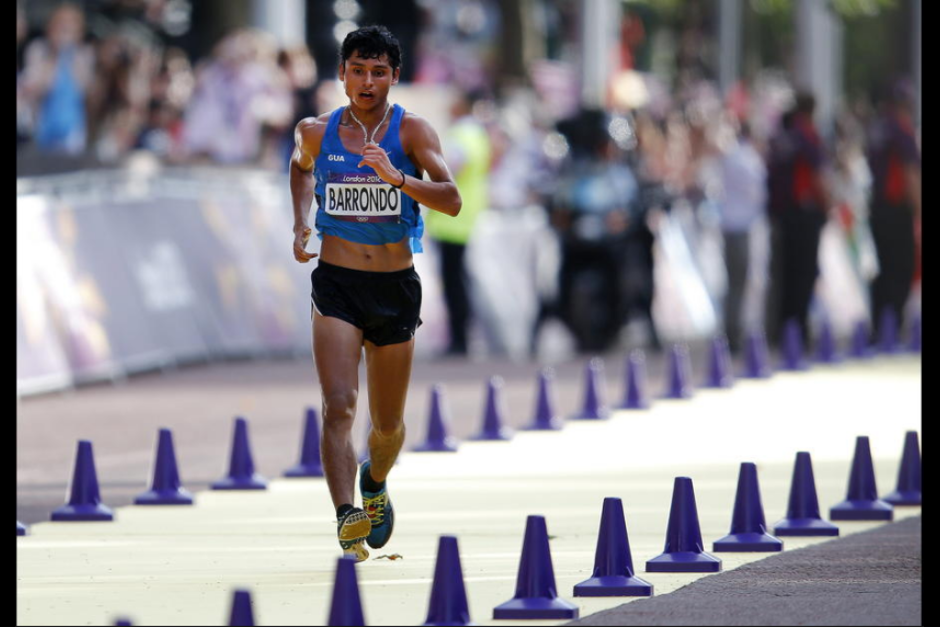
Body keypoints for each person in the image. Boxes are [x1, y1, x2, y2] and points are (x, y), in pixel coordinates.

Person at [289, 25, 461, 561]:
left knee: (386, 428)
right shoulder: (315, 132)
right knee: (339, 406)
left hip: (394, 287)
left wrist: (398, 178)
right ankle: (346, 514)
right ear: (341, 74)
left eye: (379, 72)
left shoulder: (412, 132)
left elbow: (452, 199)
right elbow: (299, 168)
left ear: (394, 76)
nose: (367, 82)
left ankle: (376, 480)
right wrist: (300, 222)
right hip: (337, 284)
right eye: (358, 71)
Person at [424, 89, 491, 356]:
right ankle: (461, 337)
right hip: (462, 218)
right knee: (458, 280)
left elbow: (449, 169)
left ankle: (459, 339)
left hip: (451, 219)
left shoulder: (462, 135)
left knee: (454, 283)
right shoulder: (478, 134)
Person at [766, 93, 831, 345]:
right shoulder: (807, 135)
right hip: (804, 214)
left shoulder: (783, 135)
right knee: (804, 275)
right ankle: (798, 332)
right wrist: (827, 206)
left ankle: (781, 330)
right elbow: (818, 175)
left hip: (782, 215)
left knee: (784, 275)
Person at [865, 82, 921, 336]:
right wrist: (919, 209)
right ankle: (892, 328)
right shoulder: (901, 128)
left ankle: (879, 326)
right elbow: (910, 174)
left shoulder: (877, 127)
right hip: (896, 208)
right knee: (901, 268)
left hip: (878, 207)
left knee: (884, 268)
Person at [717, 120, 767, 353]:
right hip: (741, 227)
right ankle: (734, 333)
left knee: (733, 283)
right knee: (739, 283)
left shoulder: (731, 156)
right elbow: (758, 192)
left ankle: (731, 330)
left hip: (730, 225)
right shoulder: (748, 159)